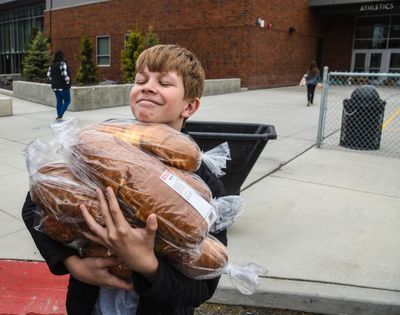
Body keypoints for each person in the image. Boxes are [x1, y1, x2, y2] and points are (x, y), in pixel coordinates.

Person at [22, 44, 227, 315]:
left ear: (189, 106)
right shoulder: (99, 150)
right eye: (140, 80)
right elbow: (34, 205)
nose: (148, 86)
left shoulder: (202, 185)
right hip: (89, 304)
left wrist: (146, 264)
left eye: (164, 82)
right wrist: (74, 265)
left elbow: (202, 287)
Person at [47, 50, 71, 120]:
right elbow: (64, 75)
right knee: (67, 101)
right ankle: (60, 115)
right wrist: (67, 81)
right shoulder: (62, 64)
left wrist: (54, 80)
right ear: (62, 56)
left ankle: (59, 116)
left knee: (59, 101)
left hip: (55, 87)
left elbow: (48, 75)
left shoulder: (52, 65)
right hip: (63, 87)